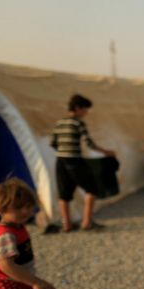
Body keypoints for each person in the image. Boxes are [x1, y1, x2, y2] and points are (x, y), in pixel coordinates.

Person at [0, 178, 57, 289]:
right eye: (18, 207)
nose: (26, 211)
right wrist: (35, 281)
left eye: (29, 206)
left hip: (23, 286)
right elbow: (6, 265)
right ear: (2, 209)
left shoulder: (18, 226)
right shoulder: (6, 234)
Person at [51, 94, 115, 232]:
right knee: (92, 188)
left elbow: (53, 143)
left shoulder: (60, 122)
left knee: (64, 194)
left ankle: (66, 224)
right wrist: (107, 152)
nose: (86, 113)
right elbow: (89, 143)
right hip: (74, 160)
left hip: (60, 161)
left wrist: (63, 151)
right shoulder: (78, 123)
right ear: (78, 107)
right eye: (85, 109)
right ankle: (86, 222)